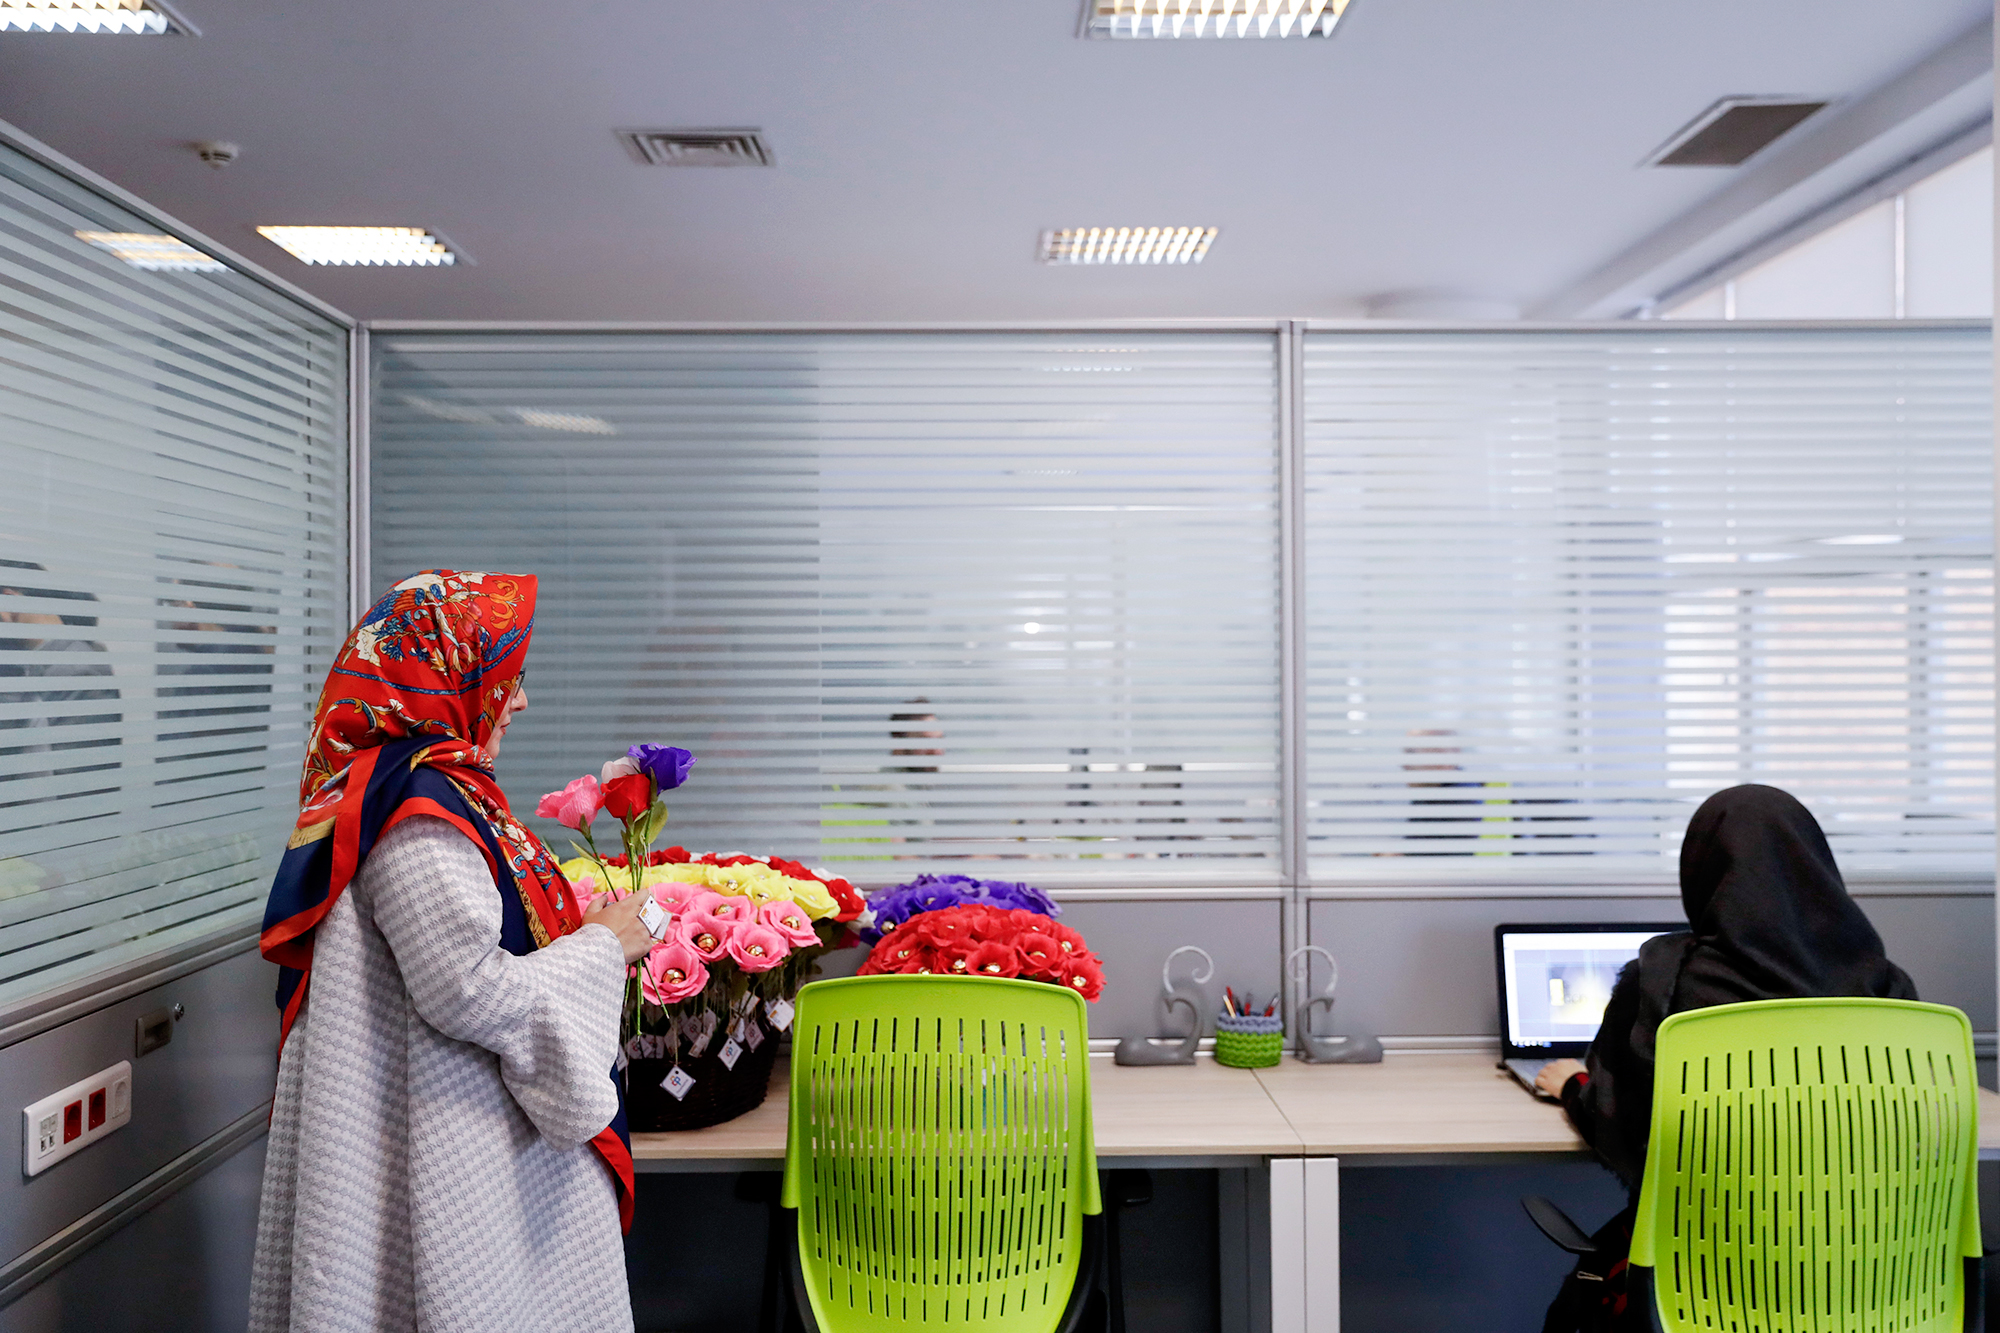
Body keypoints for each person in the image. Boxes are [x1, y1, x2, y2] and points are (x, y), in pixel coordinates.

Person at [249, 570, 654, 1333]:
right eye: (508, 677)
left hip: (446, 1125)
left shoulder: (418, 787)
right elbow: (469, 990)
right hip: (448, 1146)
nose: (520, 700)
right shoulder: (417, 809)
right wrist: (607, 944)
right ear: (446, 674)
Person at [1531, 783, 1916, 1332]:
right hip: (1870, 1274)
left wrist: (1573, 1086)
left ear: (1703, 869)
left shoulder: (1666, 981)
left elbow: (1624, 1125)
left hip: (1705, 1275)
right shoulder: (1886, 986)